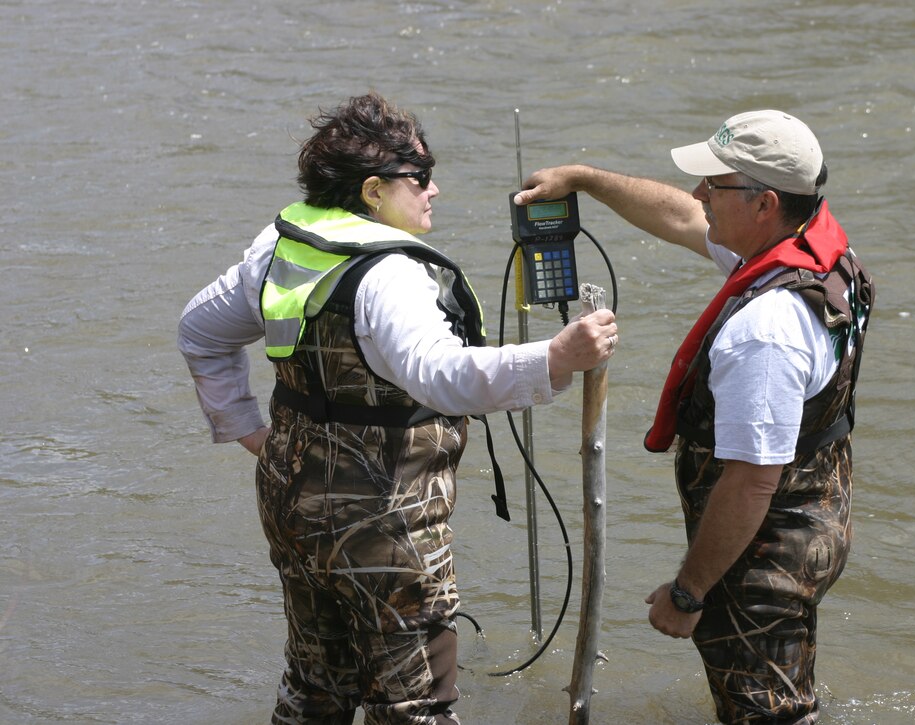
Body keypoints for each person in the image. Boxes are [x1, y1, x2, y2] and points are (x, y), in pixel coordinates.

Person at [177, 92, 618, 725]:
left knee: (313, 687)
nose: (434, 189)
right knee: (416, 706)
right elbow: (441, 376)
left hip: (290, 505)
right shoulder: (391, 276)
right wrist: (556, 356)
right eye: (422, 176)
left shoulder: (283, 247)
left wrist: (248, 429)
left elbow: (199, 330)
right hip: (384, 525)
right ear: (375, 191)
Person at [515, 110, 874, 723]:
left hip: (764, 555)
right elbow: (680, 217)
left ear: (764, 203)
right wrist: (584, 180)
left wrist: (689, 592)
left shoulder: (766, 331)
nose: (699, 194)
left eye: (716, 184)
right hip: (819, 516)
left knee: (765, 714)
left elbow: (752, 479)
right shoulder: (809, 254)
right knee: (787, 693)